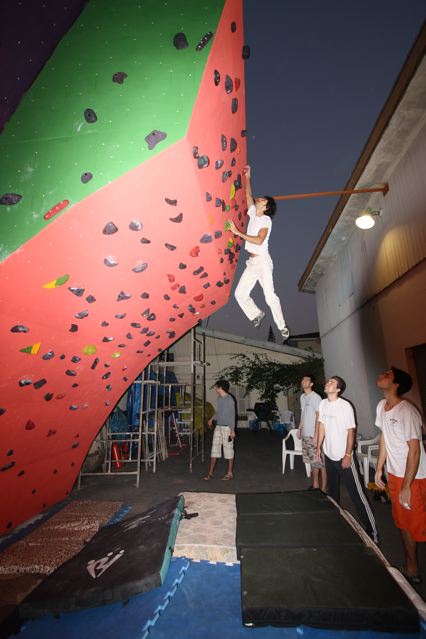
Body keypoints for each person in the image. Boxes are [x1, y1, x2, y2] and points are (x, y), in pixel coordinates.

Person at [374, 367, 426, 584]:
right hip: (395, 475)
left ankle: (412, 567)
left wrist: (407, 485)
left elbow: (414, 450)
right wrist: (379, 468)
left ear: (395, 385)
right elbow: (384, 437)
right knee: (402, 522)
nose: (381, 374)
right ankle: (411, 568)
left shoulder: (408, 412)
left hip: (414, 477)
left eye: (387, 374)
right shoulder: (382, 406)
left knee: (418, 525)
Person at [227, 164, 289, 341]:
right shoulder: (253, 212)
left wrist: (238, 233)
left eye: (262, 199)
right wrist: (248, 177)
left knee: (269, 296)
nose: (258, 198)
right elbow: (248, 195)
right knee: (239, 294)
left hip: (263, 262)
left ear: (266, 206)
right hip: (252, 263)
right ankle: (256, 315)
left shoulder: (266, 220)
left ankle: (282, 326)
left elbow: (259, 240)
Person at [316, 376, 378, 543]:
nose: (327, 383)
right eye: (327, 381)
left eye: (331, 382)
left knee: (357, 495)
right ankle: (335, 522)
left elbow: (351, 431)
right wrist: (318, 448)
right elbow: (321, 426)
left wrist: (348, 455)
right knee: (332, 492)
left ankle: (372, 533)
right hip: (329, 455)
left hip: (344, 457)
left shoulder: (345, 406)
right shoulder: (322, 404)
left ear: (338, 389)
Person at [297, 374, 326, 491]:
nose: (304, 381)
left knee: (318, 463)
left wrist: (316, 435)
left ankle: (320, 488)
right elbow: (303, 414)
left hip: (313, 435)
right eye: (303, 379)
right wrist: (299, 429)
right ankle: (317, 486)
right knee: (313, 462)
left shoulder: (316, 397)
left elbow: (319, 417)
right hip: (305, 434)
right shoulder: (303, 397)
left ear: (311, 384)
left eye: (307, 380)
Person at [204, 379, 236, 481]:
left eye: (216, 387)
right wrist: (212, 419)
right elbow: (218, 412)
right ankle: (210, 473)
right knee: (214, 450)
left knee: (229, 451)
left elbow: (232, 416)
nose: (216, 389)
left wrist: (232, 430)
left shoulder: (230, 400)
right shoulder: (219, 398)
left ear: (220, 388)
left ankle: (229, 473)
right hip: (218, 427)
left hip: (227, 428)